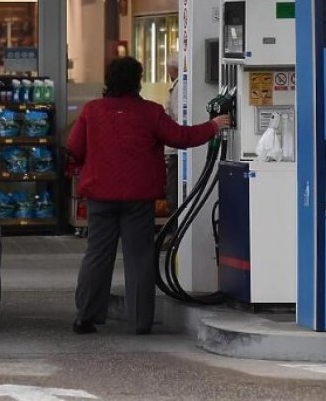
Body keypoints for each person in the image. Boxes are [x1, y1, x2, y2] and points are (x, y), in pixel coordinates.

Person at [66, 56, 230, 335]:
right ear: (137, 82)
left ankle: (86, 316)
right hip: (138, 198)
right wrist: (214, 125)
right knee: (139, 257)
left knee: (96, 255)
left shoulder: (92, 111)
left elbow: (74, 148)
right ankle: (140, 321)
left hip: (99, 196)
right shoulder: (149, 112)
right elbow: (181, 137)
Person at [165, 55, 179, 223]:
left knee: (173, 193)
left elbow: (175, 117)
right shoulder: (178, 87)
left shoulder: (178, 88)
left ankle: (175, 232)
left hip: (176, 150)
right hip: (176, 149)